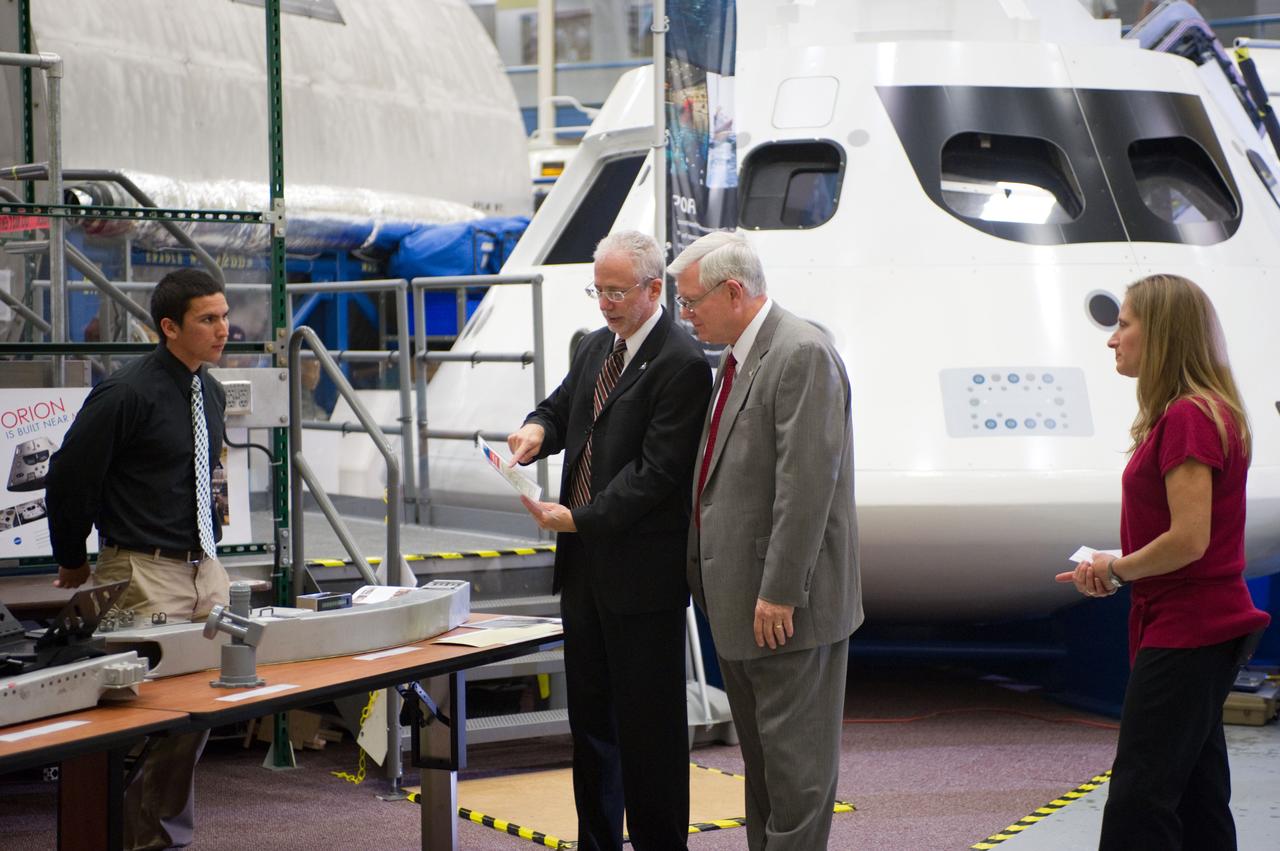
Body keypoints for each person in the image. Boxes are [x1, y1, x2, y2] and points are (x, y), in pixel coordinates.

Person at [507, 231, 712, 850]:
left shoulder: (681, 363)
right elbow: (562, 407)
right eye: (598, 290)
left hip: (641, 578)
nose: (605, 303)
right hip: (584, 570)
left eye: (617, 291)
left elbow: (656, 475)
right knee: (591, 726)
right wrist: (536, 430)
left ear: (654, 289)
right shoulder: (597, 345)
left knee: (650, 734)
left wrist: (581, 518)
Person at [1055, 273, 1269, 850]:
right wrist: (1118, 564)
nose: (1112, 339)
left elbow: (1189, 540)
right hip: (1198, 624)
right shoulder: (1203, 412)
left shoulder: (1188, 418)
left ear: (1162, 334)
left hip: (1188, 629)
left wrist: (1115, 569)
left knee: (1139, 800)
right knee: (1197, 794)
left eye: (1123, 324)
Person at [671, 231, 862, 850]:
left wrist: (780, 591)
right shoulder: (739, 357)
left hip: (784, 610)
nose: (685, 314)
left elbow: (805, 488)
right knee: (765, 778)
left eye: (691, 301)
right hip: (739, 604)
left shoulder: (801, 353)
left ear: (733, 291)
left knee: (797, 782)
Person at [45, 267, 232, 850]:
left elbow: (203, 474)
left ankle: (152, 835)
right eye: (208, 319)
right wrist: (72, 557)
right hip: (142, 572)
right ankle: (137, 837)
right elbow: (69, 477)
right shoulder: (126, 393)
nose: (223, 329)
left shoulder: (209, 391)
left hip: (204, 568)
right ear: (169, 327)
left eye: (225, 315)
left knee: (198, 713)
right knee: (144, 715)